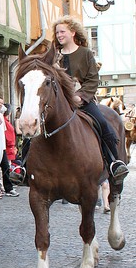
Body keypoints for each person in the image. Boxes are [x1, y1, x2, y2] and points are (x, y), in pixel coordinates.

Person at [53, 15, 128, 183]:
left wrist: (80, 96)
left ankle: (114, 162)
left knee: (102, 123)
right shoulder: (54, 56)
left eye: (62, 31)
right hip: (59, 103)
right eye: (57, 32)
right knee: (39, 125)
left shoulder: (85, 53)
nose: (59, 35)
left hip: (82, 101)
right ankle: (24, 165)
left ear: (73, 32)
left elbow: (93, 79)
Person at [0, 96, 19, 197]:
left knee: (5, 167)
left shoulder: (1, 116)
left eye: (2, 103)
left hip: (2, 147)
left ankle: (8, 188)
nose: (1, 105)